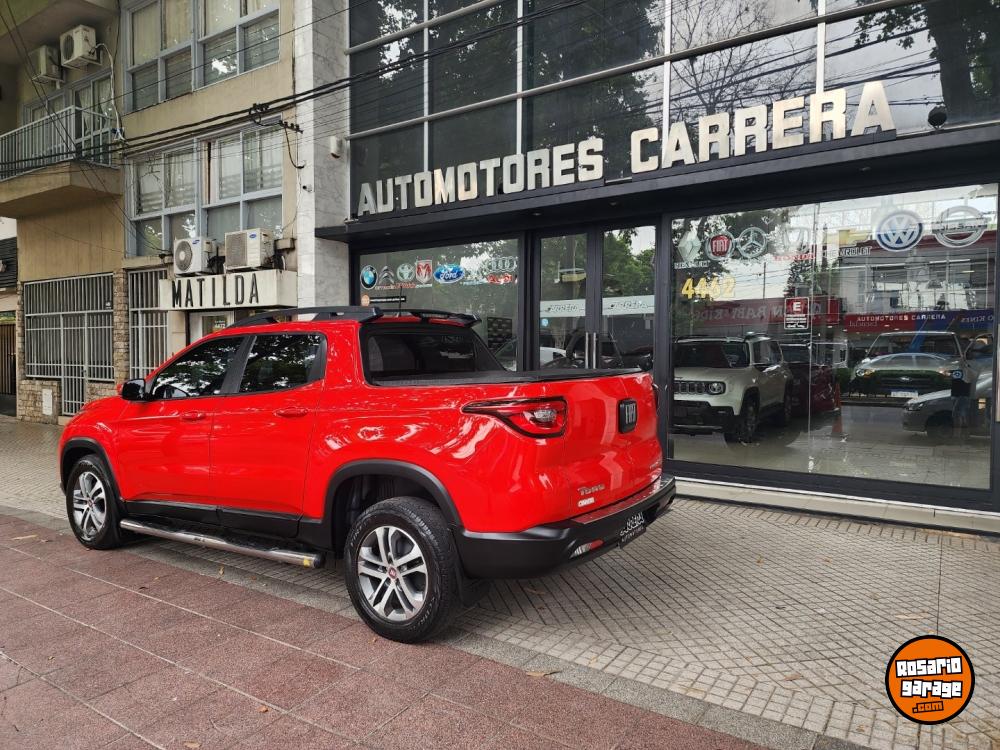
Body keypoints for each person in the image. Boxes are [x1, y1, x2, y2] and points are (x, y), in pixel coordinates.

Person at [951, 367, 973, 442]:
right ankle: (962, 435)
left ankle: (959, 435)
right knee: (959, 416)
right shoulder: (955, 367)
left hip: (963, 395)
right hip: (956, 394)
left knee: (959, 415)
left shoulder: (967, 368)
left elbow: (969, 378)